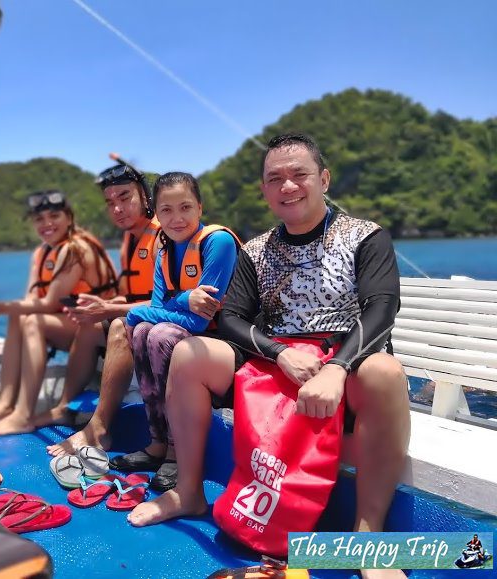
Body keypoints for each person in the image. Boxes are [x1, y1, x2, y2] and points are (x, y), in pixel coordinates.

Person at [129, 134, 410, 579]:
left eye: (299, 175)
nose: (288, 186)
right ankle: (188, 491)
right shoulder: (255, 251)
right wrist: (280, 355)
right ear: (264, 190)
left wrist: (337, 368)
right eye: (275, 178)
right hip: (276, 361)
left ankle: (367, 534)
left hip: (345, 361)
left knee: (386, 371)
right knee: (189, 353)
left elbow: (383, 307)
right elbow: (232, 318)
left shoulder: (365, 237)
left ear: (324, 179)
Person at [110, 171, 239, 491]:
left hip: (228, 344)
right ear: (156, 212)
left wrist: (146, 308)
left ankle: (176, 450)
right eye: (166, 210)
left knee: (159, 334)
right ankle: (157, 442)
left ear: (200, 207)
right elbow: (158, 308)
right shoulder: (165, 253)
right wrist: (183, 299)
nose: (176, 218)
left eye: (185, 207)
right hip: (191, 337)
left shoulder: (217, 243)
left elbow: (198, 321)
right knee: (143, 331)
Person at [0, 190, 117, 436]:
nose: (47, 224)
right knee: (18, 315)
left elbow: (47, 305)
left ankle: (23, 415)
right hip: (70, 323)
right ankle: (5, 405)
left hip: (97, 328)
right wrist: (7, 309)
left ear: (69, 218)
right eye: (39, 219)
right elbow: (30, 300)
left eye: (54, 216)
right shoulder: (42, 253)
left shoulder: (75, 249)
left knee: (33, 321)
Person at [36, 163, 159, 444]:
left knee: (116, 324)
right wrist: (101, 303)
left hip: (164, 324)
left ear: (145, 196)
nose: (117, 208)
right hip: (141, 315)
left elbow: (167, 301)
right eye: (110, 203)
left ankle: (99, 427)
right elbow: (133, 295)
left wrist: (110, 309)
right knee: (89, 327)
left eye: (125, 197)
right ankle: (64, 408)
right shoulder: (131, 239)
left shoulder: (162, 236)